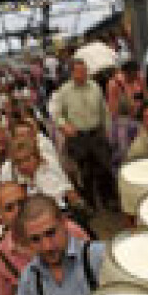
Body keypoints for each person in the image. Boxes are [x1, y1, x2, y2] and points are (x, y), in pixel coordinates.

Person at [51, 59, 117, 210]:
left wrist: (108, 130)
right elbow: (56, 114)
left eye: (85, 70)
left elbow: (104, 110)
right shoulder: (64, 91)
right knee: (85, 173)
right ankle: (91, 204)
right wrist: (63, 125)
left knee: (104, 168)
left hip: (96, 134)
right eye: (79, 71)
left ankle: (108, 200)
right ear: (72, 72)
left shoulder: (94, 87)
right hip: (78, 137)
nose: (83, 73)